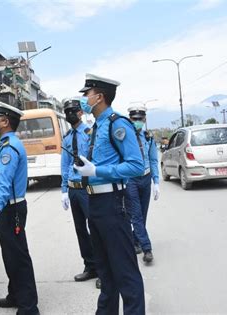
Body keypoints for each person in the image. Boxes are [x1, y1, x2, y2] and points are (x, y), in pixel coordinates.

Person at [74, 74, 146, 314]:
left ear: (99, 96)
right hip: (94, 202)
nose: (84, 98)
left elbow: (136, 165)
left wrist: (97, 170)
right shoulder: (98, 126)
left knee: (125, 272)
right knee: (105, 272)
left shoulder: (118, 123)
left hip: (112, 203)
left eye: (87, 94)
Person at [0, 102, 40, 315]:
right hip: (8, 209)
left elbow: (4, 183)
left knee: (18, 257)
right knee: (10, 254)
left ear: (5, 122)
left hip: (11, 209)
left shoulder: (9, 148)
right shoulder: (5, 144)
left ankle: (29, 307)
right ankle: (15, 294)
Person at [60, 96, 98, 283]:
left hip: (87, 188)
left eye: (73, 111)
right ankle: (90, 265)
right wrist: (64, 190)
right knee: (80, 230)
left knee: (96, 228)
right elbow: (65, 165)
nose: (69, 115)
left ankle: (103, 268)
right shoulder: (67, 138)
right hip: (73, 190)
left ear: (81, 113)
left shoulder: (90, 133)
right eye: (66, 112)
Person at [126, 106, 160, 263]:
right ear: (129, 119)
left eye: (140, 119)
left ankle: (136, 240)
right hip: (131, 180)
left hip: (145, 179)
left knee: (143, 214)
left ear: (145, 120)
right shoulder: (125, 137)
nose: (137, 122)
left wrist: (156, 182)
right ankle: (147, 249)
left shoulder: (148, 137)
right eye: (134, 119)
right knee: (136, 215)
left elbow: (153, 160)